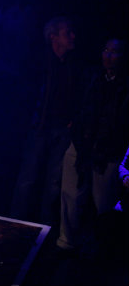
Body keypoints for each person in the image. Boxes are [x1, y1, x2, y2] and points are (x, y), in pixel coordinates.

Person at [11, 17, 84, 227]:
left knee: (53, 181)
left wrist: (72, 120)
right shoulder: (38, 62)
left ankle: (46, 226)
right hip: (40, 127)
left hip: (62, 128)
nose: (72, 36)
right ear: (53, 36)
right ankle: (16, 223)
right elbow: (25, 95)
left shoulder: (73, 64)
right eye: (67, 32)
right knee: (28, 178)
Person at [57, 39, 129, 251]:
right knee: (70, 193)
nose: (108, 55)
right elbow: (79, 105)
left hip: (108, 150)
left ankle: (100, 246)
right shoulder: (92, 77)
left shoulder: (124, 85)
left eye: (114, 52)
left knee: (104, 201)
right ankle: (66, 242)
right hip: (82, 142)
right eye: (105, 50)